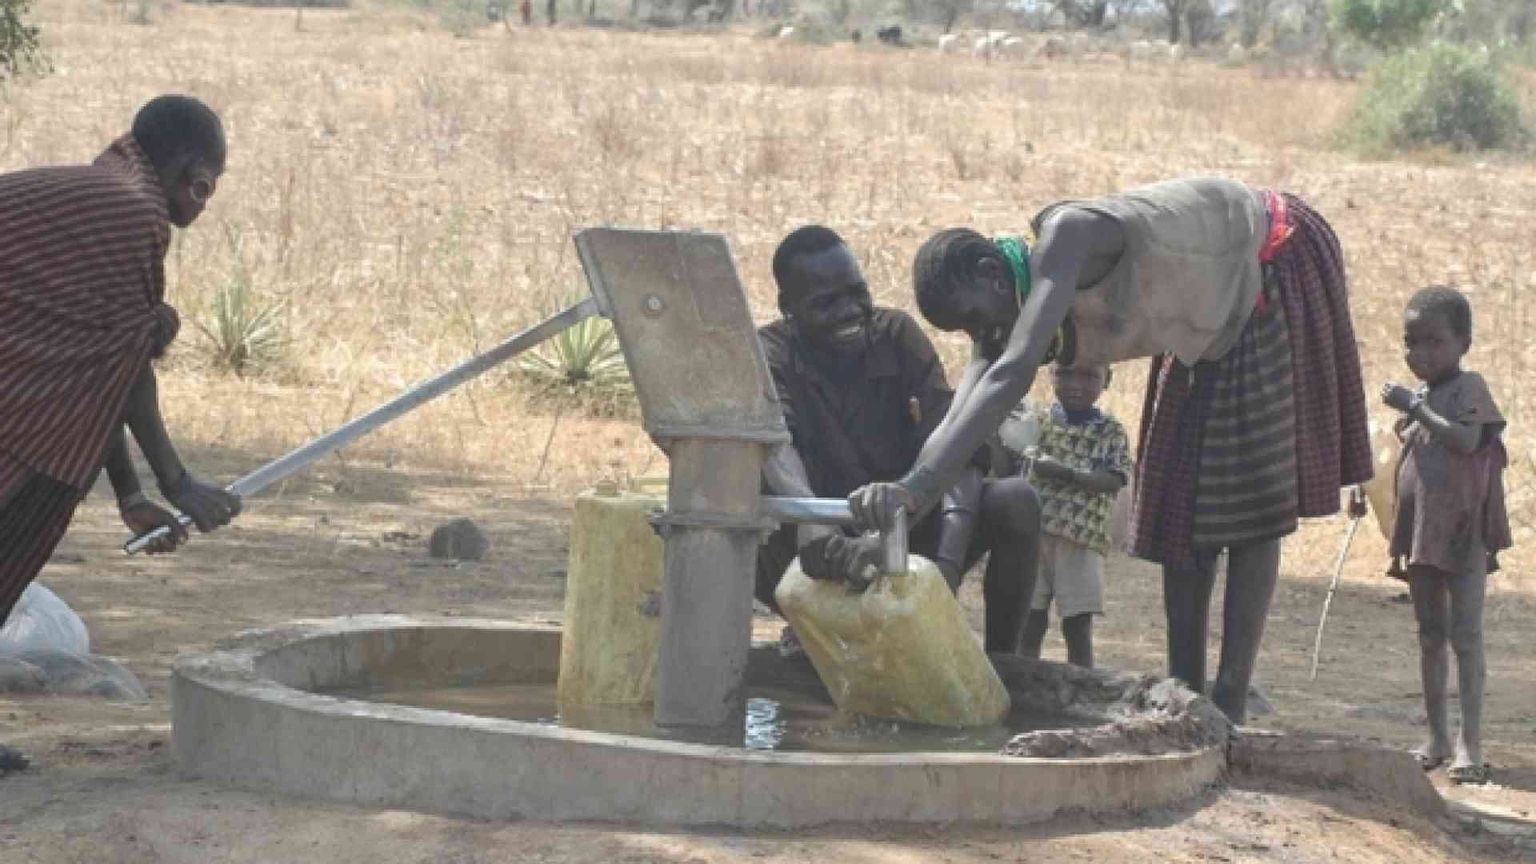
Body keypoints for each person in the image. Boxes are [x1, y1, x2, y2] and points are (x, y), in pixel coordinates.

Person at [846, 177, 1372, 723]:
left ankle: (1232, 698)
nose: (982, 332)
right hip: (1199, 320)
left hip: (1263, 261)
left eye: (977, 318)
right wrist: (902, 505)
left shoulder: (1067, 238)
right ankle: (1187, 697)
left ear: (988, 273)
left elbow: (1013, 372)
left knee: (1250, 504)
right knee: (1178, 500)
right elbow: (963, 412)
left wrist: (916, 489)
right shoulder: (1010, 306)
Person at [0, 95, 243, 773]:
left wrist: (131, 497)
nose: (204, 205)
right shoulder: (131, 213)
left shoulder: (116, 192)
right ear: (186, 170)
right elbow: (125, 361)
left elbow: (95, 365)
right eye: (205, 187)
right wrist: (175, 482)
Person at [757, 225, 1041, 653]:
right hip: (815, 547)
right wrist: (812, 523)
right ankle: (811, 622)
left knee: (1016, 501)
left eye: (857, 293)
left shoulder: (896, 335)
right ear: (788, 308)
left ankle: (1007, 664)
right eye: (826, 303)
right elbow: (777, 446)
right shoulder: (770, 353)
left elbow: (958, 448)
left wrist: (942, 573)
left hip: (903, 539)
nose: (850, 311)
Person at [1380, 286, 1509, 786]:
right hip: (1423, 535)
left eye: (1434, 342)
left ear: (1464, 343)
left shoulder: (1468, 389)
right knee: (1430, 634)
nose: (1420, 354)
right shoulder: (1424, 400)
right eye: (1411, 343)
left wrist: (1416, 408)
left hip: (1463, 533)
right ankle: (1435, 737)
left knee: (1466, 636)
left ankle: (1469, 745)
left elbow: (1466, 439)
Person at [1001, 361, 1131, 669]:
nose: (1075, 384)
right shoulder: (1037, 422)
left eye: (1089, 374)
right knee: (1029, 622)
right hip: (1034, 537)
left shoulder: (1110, 431)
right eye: (1065, 373)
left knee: (1077, 626)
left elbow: (1113, 480)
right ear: (1050, 375)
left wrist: (1066, 474)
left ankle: (1083, 688)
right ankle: (1025, 684)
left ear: (1107, 380)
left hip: (1081, 542)